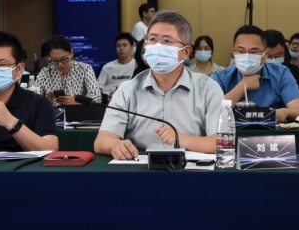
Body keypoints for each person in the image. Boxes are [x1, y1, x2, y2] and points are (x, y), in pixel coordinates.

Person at [95, 10, 224, 158]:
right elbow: (102, 141)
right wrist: (115, 145)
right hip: (140, 169)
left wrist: (185, 140)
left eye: (167, 41)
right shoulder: (127, 90)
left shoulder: (208, 89)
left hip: (190, 169)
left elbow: (221, 142)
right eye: (153, 39)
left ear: (186, 52)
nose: (157, 46)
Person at [212, 25, 299, 122]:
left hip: (271, 130)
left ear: (266, 54)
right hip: (232, 131)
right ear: (233, 52)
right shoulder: (221, 77)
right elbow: (211, 112)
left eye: (253, 52)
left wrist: (285, 112)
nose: (247, 56)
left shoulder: (281, 74)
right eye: (241, 51)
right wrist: (243, 86)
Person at [34, 35, 100, 105]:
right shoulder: (45, 72)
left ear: (71, 53)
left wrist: (76, 103)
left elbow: (97, 98)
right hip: (52, 111)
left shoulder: (85, 69)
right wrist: (46, 101)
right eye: (55, 60)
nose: (60, 64)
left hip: (78, 111)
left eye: (63, 59)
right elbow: (33, 100)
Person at [264, 29, 299, 104]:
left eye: (278, 55)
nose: (274, 60)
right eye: (269, 57)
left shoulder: (292, 70)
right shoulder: (253, 71)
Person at [97, 32, 137, 100]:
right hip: (107, 100)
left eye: (124, 45)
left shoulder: (137, 65)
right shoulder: (107, 67)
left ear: (132, 47)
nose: (121, 48)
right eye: (118, 46)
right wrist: (105, 98)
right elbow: (98, 87)